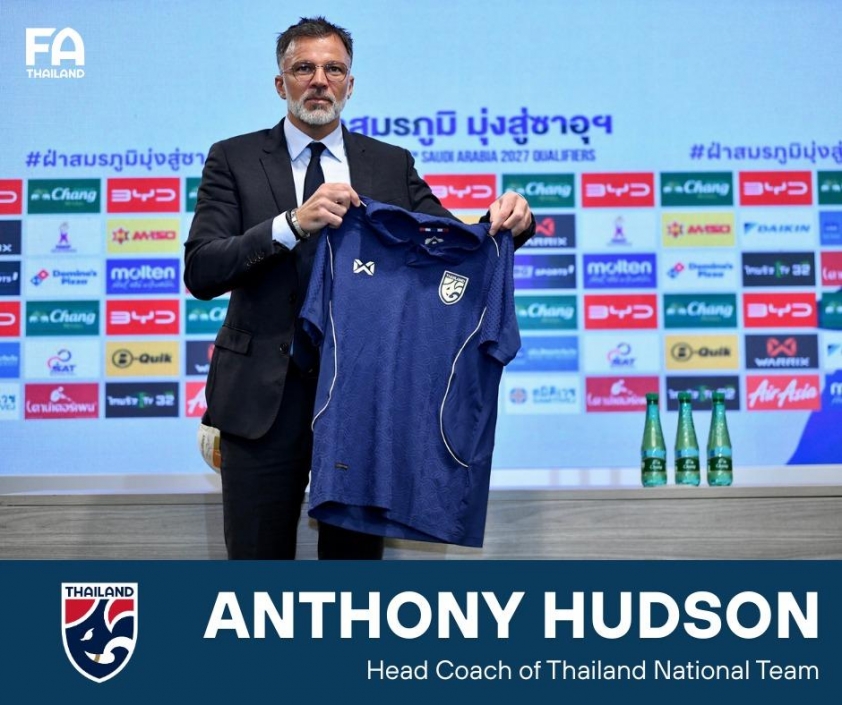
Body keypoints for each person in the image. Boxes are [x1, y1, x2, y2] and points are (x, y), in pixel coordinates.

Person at [183, 16, 535, 560]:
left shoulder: (390, 163)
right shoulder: (234, 158)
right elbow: (202, 269)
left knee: (353, 581)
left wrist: (508, 224)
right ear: (280, 83)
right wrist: (291, 224)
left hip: (364, 401)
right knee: (255, 572)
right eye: (304, 68)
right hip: (261, 402)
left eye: (333, 69)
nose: (319, 80)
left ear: (350, 84)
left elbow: (449, 246)